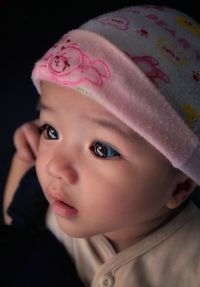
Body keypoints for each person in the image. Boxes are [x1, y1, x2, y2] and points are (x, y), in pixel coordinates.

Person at [3, 4, 200, 286]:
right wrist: (23, 160)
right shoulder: (44, 203)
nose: (55, 166)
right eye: (51, 130)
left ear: (179, 186)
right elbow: (16, 232)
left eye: (102, 149)